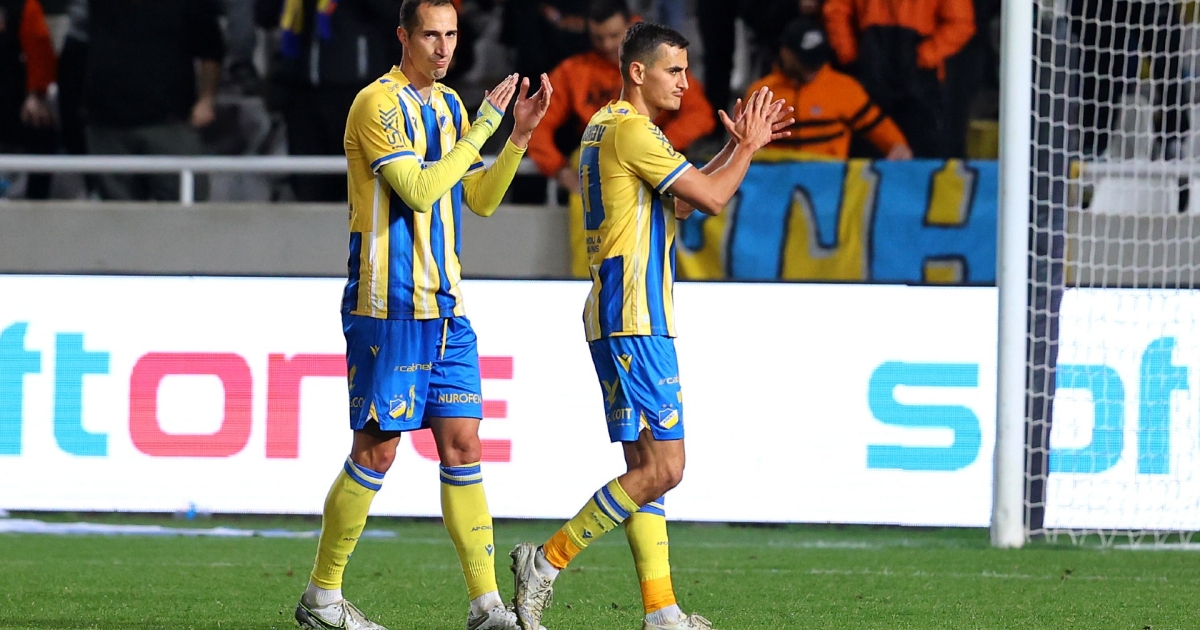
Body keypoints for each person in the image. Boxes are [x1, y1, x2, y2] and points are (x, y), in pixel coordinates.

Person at [508, 22, 791, 630]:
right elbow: (712, 199)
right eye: (674, 71)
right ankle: (547, 561)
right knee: (665, 469)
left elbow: (683, 199)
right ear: (638, 72)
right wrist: (748, 148)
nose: (685, 82)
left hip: (614, 312)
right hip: (636, 314)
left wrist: (732, 148)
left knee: (646, 470)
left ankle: (661, 610)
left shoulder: (608, 127)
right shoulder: (634, 132)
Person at [292, 1, 553, 629]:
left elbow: (478, 199)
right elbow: (416, 191)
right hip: (389, 305)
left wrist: (515, 138)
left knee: (463, 446)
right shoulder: (376, 105)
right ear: (403, 36)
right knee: (376, 452)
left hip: (447, 308)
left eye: (452, 34)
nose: (443, 47)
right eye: (431, 35)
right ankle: (322, 597)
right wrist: (483, 128)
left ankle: (486, 606)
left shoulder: (452, 106)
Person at [527, 0, 714, 278]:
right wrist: (558, 169)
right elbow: (537, 126)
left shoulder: (658, 61)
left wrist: (659, 143)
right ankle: (590, 279)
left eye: (614, 36)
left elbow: (699, 114)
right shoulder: (574, 70)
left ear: (630, 27)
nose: (606, 45)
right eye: (598, 38)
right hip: (602, 159)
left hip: (653, 156)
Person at [255, 0, 403, 202]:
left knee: (364, 188)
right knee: (309, 186)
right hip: (301, 92)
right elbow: (265, 15)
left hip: (358, 92)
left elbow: (398, 15)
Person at [85, 0, 225, 201]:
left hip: (169, 120)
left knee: (187, 207)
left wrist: (207, 99)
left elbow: (211, 49)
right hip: (107, 120)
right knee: (116, 215)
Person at [823, 0, 974, 157]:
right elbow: (836, 11)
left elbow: (961, 24)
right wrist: (923, 56)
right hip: (892, 72)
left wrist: (850, 55)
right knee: (906, 153)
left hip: (901, 75)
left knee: (882, 151)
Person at [745, 18, 911, 160]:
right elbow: (742, 145)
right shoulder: (761, 93)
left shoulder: (843, 88)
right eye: (805, 61)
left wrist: (897, 146)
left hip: (830, 183)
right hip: (778, 182)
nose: (813, 68)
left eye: (816, 59)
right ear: (786, 53)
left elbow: (878, 126)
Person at [0, 0, 56, 199]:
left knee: (43, 131)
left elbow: (39, 50)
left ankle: (36, 205)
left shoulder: (24, 6)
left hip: (14, 100)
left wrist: (35, 94)